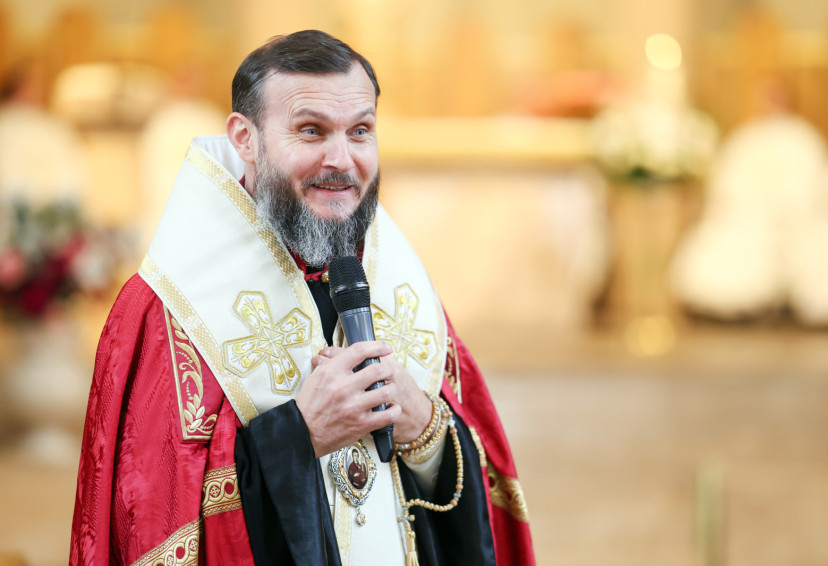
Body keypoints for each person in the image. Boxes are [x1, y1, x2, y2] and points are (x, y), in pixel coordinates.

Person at [70, 30, 534, 566]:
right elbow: (150, 520)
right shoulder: (167, 309)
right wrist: (298, 436)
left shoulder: (391, 278)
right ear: (245, 138)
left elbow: (471, 493)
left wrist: (424, 432)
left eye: (360, 131)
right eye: (311, 131)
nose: (341, 159)